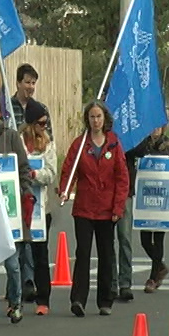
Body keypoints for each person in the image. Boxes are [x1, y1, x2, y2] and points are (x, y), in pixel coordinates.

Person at [58, 100, 129, 317]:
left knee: (107, 254)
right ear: (87, 120)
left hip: (107, 210)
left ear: (105, 119)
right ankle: (78, 299)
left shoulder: (114, 144)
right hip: (85, 209)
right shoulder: (80, 145)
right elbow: (69, 170)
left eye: (98, 116)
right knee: (83, 253)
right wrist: (65, 190)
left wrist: (118, 207)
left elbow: (122, 178)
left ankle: (105, 300)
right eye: (92, 117)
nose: (95, 121)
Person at [0, 99, 34, 328]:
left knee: (13, 264)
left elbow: (23, 168)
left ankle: (16, 303)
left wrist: (26, 193)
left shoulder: (11, 137)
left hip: (10, 210)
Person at [10, 63, 53, 302]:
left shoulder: (42, 109)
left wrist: (38, 173)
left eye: (33, 83)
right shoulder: (9, 107)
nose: (30, 87)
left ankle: (32, 283)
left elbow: (49, 145)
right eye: (27, 82)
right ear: (18, 83)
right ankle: (19, 283)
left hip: (39, 193)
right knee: (18, 240)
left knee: (36, 239)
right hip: (17, 187)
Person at [126, 126, 169, 294]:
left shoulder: (168, 145)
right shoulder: (142, 144)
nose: (154, 130)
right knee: (145, 240)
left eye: (158, 127)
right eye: (152, 126)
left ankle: (153, 277)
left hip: (162, 199)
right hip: (145, 199)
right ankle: (161, 267)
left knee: (159, 238)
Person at [18, 98, 57, 315]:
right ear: (31, 123)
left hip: (42, 207)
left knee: (40, 253)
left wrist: (35, 174)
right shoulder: (18, 141)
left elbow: (51, 173)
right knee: (18, 253)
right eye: (41, 123)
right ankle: (18, 296)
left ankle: (44, 299)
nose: (44, 127)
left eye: (45, 123)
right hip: (21, 204)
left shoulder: (48, 145)